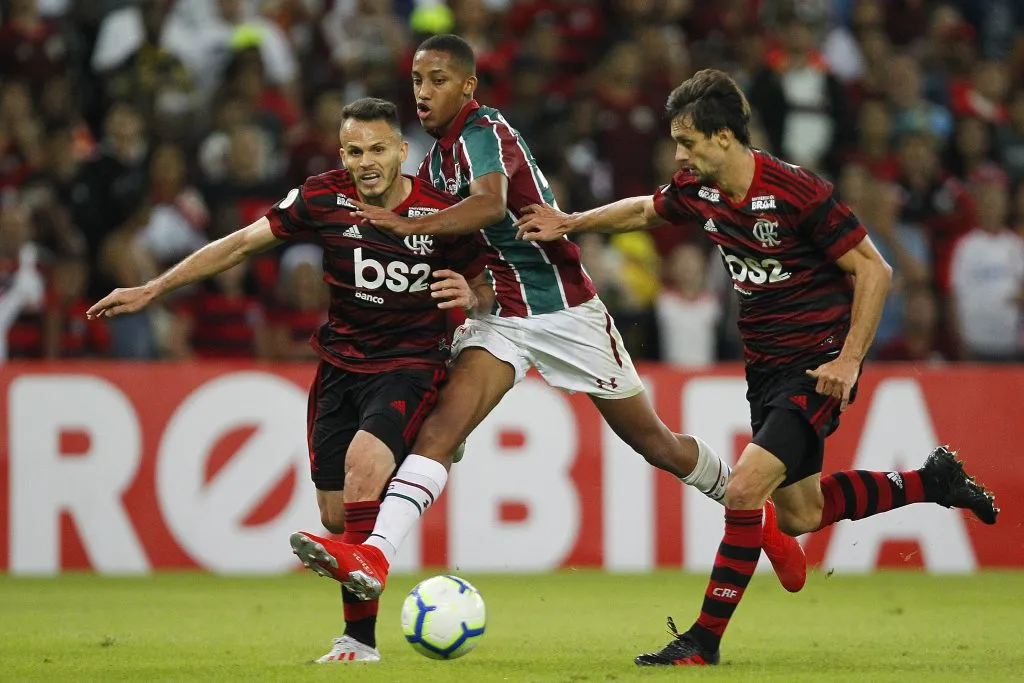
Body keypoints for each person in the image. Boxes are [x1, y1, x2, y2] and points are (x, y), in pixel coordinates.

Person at [287, 35, 807, 612]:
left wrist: (407, 229)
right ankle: (375, 554)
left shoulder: (483, 131)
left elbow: (490, 206)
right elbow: (475, 250)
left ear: (467, 86)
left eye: (438, 80)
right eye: (417, 81)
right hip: (503, 315)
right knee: (439, 432)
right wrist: (472, 288)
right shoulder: (434, 163)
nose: (425, 92)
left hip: (562, 310)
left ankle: (759, 519)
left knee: (653, 442)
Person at [515, 69, 1000, 667]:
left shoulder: (798, 193)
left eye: (688, 141)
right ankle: (931, 482)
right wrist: (571, 223)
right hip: (766, 369)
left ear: (724, 138)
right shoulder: (704, 190)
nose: (679, 154)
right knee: (801, 513)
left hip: (816, 366)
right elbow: (644, 211)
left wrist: (848, 362)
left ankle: (703, 640)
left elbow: (875, 270)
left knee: (744, 489)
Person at [87, 97, 491, 664]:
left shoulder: (441, 212)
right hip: (341, 367)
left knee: (363, 466)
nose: (367, 161)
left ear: (403, 151)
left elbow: (489, 285)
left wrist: (472, 297)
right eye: (355, 150)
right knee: (336, 515)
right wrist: (153, 288)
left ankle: (358, 642)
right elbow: (241, 243)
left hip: (410, 362)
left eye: (379, 149)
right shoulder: (322, 196)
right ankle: (426, 459)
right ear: (341, 152)